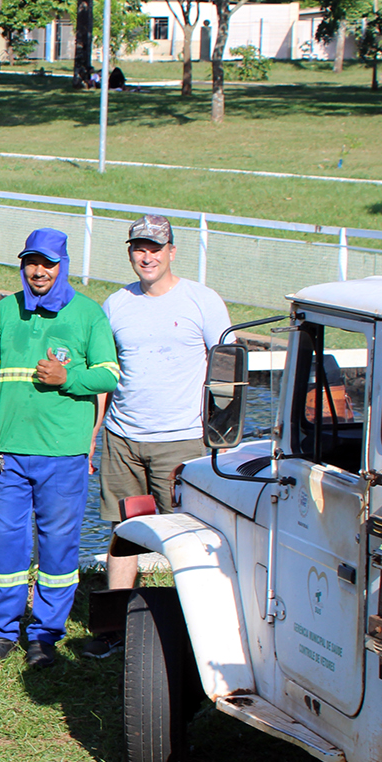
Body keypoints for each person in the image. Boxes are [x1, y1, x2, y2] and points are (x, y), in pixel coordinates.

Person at [84, 215, 231, 658]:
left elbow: (226, 372)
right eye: (138, 248)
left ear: (171, 252)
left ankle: (195, 633)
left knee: (190, 537)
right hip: (123, 440)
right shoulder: (115, 305)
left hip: (184, 443)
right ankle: (115, 632)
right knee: (124, 533)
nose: (146, 256)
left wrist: (220, 437)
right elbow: (105, 377)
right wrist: (95, 435)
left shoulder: (202, 301)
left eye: (155, 248)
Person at [0, 228, 121, 667]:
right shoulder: (4, 312)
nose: (38, 271)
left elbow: (110, 375)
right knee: (4, 543)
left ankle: (44, 635)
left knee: (57, 547)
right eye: (31, 262)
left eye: (48, 263)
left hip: (64, 454)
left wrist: (69, 379)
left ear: (63, 266)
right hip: (8, 453)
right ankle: (2, 631)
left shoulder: (88, 315)